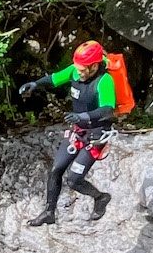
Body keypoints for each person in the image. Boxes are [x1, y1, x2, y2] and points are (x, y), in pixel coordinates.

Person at [18, 41, 117, 226]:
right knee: (56, 169)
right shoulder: (75, 70)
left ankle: (101, 198)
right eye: (77, 68)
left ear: (95, 66)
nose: (78, 72)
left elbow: (107, 110)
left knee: (74, 180)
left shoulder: (105, 81)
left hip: (95, 135)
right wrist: (35, 84)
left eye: (83, 69)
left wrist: (82, 116)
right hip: (77, 131)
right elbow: (54, 79)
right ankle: (49, 212)